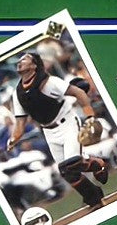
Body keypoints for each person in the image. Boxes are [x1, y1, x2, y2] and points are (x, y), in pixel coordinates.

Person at [6, 50, 108, 210]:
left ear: (34, 65)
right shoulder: (17, 94)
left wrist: (90, 116)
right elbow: (20, 123)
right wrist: (13, 139)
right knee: (67, 172)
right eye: (19, 60)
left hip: (67, 123)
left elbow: (78, 92)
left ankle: (99, 167)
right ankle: (94, 196)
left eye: (25, 59)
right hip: (48, 131)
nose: (20, 62)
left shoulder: (50, 82)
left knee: (71, 164)